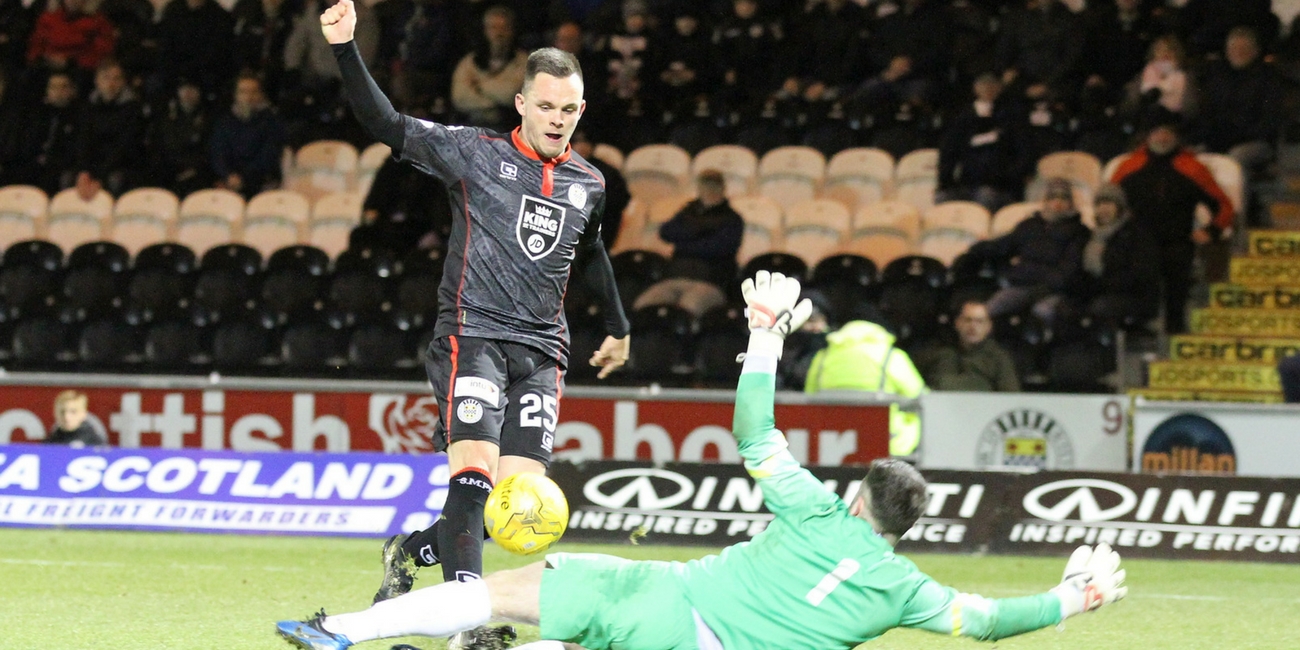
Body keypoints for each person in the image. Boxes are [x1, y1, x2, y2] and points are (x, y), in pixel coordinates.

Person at [276, 271, 1128, 650]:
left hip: (666, 601)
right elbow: (984, 622)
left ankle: (337, 632)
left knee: (496, 596)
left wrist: (762, 340)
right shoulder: (910, 592)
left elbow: (753, 432)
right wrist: (1071, 598)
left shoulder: (815, 509)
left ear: (865, 503)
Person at [319, 4, 630, 646]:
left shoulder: (589, 182)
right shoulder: (471, 153)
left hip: (543, 351)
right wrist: (346, 47)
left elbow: (591, 251)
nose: (558, 120)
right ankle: (468, 625)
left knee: (514, 508)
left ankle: (410, 551)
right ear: (521, 104)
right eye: (547, 107)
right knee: (474, 474)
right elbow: (385, 122)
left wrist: (618, 326)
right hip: (473, 335)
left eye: (570, 110)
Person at [1111, 112, 1234, 334]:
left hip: (1177, 242)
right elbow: (1108, 202)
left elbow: (1224, 206)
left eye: (1168, 133)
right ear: (1147, 136)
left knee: (1176, 287)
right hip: (1136, 243)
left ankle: (1175, 335)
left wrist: (1212, 231)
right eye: (1157, 132)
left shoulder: (1193, 168)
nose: (1162, 137)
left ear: (1177, 137)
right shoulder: (1129, 167)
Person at [967, 177, 1090, 323]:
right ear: (1046, 201)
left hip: (1054, 290)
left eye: (1063, 198)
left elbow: (1070, 266)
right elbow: (1005, 245)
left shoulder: (1079, 231)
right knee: (993, 308)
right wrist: (976, 249)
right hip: (1023, 284)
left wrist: (1047, 284)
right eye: (1053, 197)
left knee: (1043, 311)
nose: (1058, 202)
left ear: (1070, 203)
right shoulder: (1030, 225)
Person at [803, 318, 927, 457]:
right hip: (886, 443)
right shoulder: (891, 355)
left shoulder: (822, 356)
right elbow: (920, 395)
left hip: (830, 443)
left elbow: (809, 395)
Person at [633, 169, 743, 316]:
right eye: (705, 185)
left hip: (709, 281)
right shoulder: (688, 211)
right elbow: (665, 232)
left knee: (687, 310)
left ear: (722, 188)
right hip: (675, 276)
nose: (710, 190)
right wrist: (700, 231)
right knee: (644, 306)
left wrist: (684, 240)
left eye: (714, 186)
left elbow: (718, 248)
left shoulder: (732, 219)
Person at [1066, 183, 1160, 327]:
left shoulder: (1136, 235)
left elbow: (1140, 274)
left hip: (1132, 296)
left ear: (1119, 207)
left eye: (1108, 203)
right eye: (1099, 204)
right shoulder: (1090, 236)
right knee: (1065, 306)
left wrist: (1099, 286)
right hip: (1099, 291)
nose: (1103, 209)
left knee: (1100, 308)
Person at [936, 72, 1031, 212]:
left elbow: (1024, 152)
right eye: (983, 86)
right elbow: (949, 151)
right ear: (976, 89)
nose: (988, 90)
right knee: (943, 197)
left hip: (1000, 187)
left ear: (999, 89)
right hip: (968, 183)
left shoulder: (1012, 117)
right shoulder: (963, 118)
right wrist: (946, 182)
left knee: (985, 196)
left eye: (992, 86)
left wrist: (1006, 178)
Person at [209, 73, 288, 198]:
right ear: (235, 95)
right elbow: (218, 153)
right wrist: (228, 175)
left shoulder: (272, 122)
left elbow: (269, 155)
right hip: (230, 184)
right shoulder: (224, 122)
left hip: (262, 184)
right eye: (243, 92)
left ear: (261, 95)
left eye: (254, 92)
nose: (248, 97)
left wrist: (243, 178)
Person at [450, 5, 527, 131]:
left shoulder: (524, 62)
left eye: (504, 28)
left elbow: (511, 94)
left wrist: (478, 86)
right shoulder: (469, 63)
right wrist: (495, 106)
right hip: (472, 128)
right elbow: (460, 98)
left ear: (512, 31)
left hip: (508, 129)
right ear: (485, 31)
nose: (499, 33)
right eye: (494, 28)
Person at [75, 59, 145, 196]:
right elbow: (83, 141)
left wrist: (100, 176)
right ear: (97, 81)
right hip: (94, 165)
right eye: (106, 78)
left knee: (114, 180)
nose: (111, 84)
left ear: (123, 82)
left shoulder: (133, 109)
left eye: (116, 78)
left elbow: (124, 147)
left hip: (122, 166)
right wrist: (83, 171)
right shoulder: (88, 108)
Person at [922, 300, 1020, 392]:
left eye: (979, 321)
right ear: (957, 323)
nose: (973, 327)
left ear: (989, 326)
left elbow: (1010, 397)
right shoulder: (941, 354)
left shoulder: (999, 359)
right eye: (968, 320)